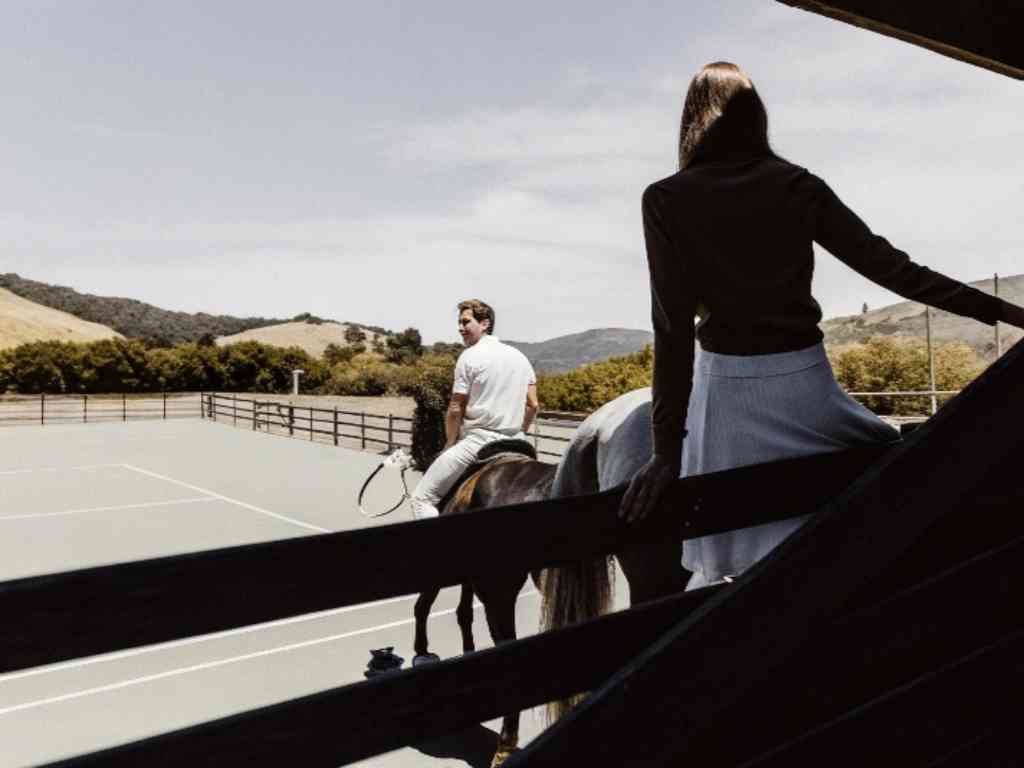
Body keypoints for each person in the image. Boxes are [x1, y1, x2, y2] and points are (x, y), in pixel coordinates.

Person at [620, 62, 1024, 589]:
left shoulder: (665, 199)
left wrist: (663, 453)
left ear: (692, 119)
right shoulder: (796, 185)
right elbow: (893, 268)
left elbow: (671, 331)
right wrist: (1002, 310)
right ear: (756, 116)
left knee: (737, 568)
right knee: (902, 473)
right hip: (806, 386)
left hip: (726, 400)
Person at [410, 299, 539, 520]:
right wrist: (521, 430)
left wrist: (450, 444)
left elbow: (455, 406)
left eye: (465, 322)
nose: (460, 328)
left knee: (422, 498)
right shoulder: (521, 358)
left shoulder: (470, 356)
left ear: (485, 323)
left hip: (478, 443)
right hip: (518, 442)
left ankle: (433, 551)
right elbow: (533, 405)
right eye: (459, 323)